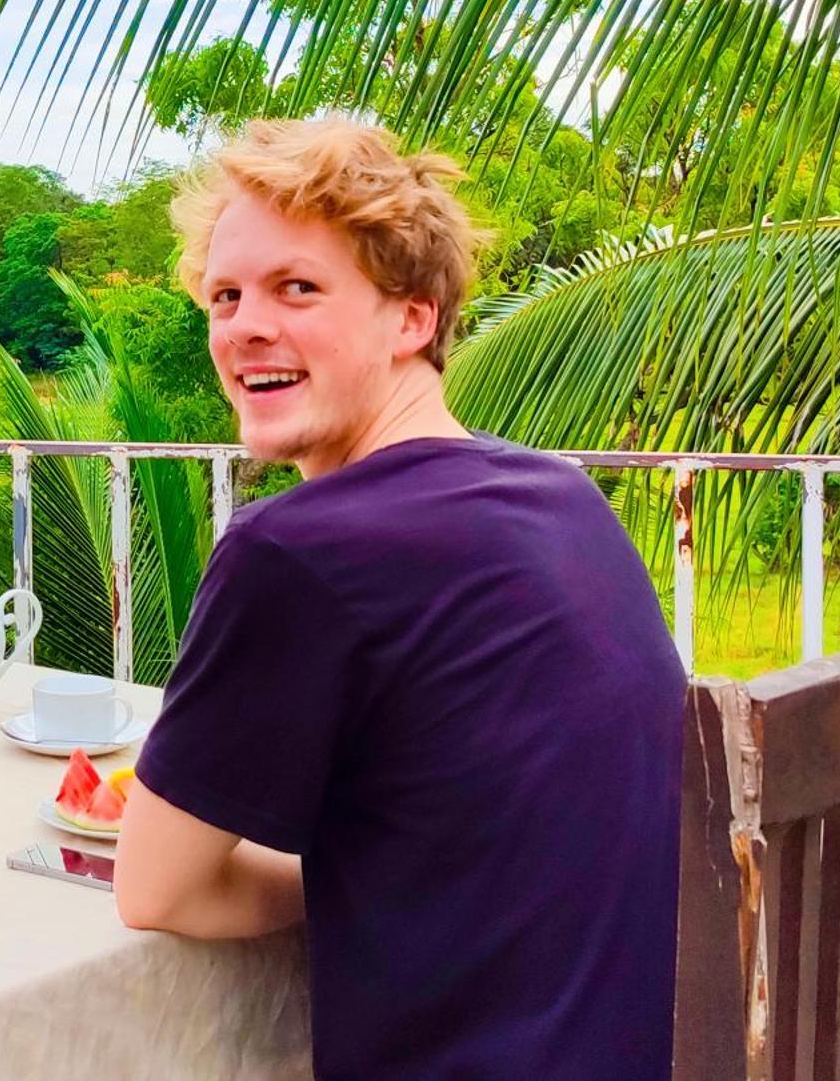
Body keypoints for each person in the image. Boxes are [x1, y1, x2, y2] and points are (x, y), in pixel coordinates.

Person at [115, 119, 686, 1079]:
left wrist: (334, 869)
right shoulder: (563, 496)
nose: (247, 325)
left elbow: (157, 890)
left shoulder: (296, 549)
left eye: (298, 287)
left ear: (411, 319)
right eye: (225, 295)